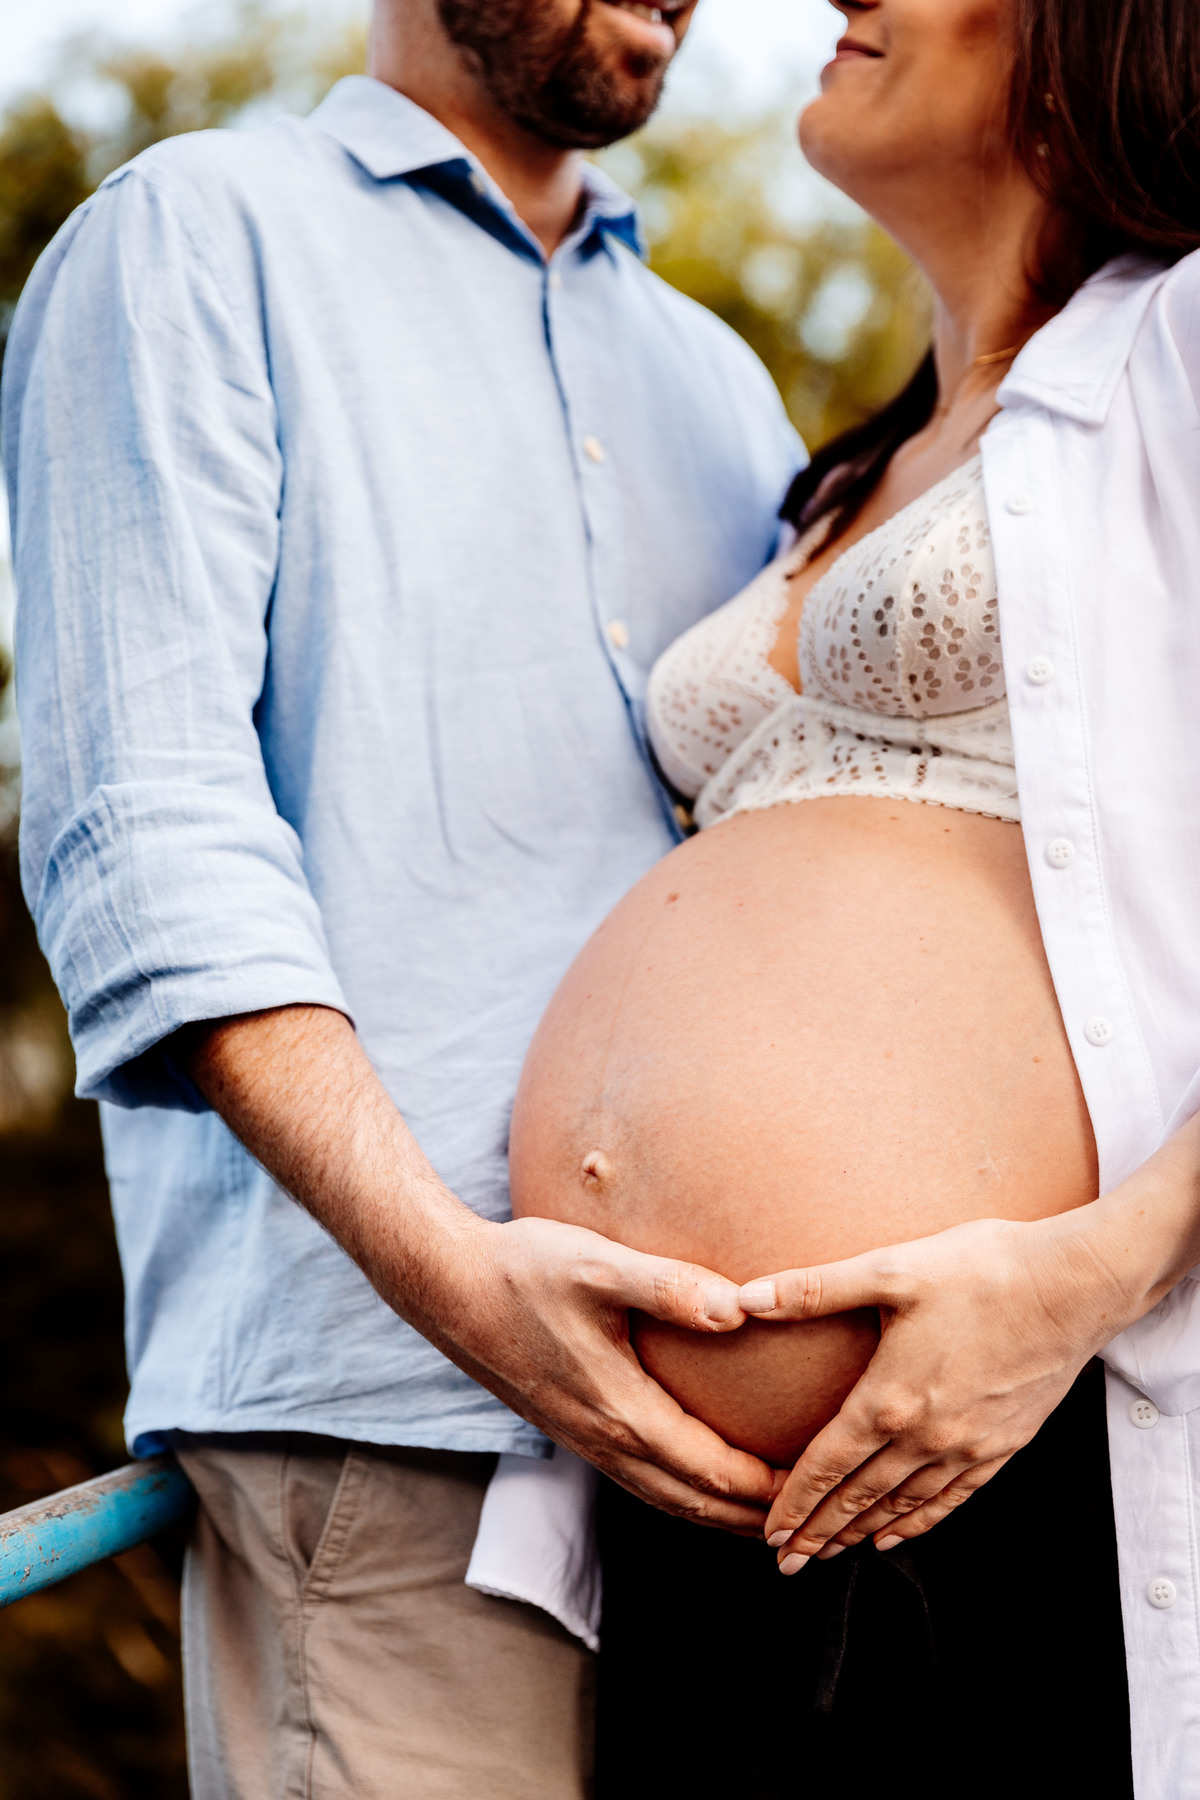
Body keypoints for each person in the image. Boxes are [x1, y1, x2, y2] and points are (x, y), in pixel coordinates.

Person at [1, 1, 803, 1794]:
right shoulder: (195, 235)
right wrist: (466, 1289)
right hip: (383, 1434)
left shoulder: (718, 379)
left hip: (728, 1479)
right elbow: (150, 818)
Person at [507, 1, 1200, 1795]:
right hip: (681, 1518)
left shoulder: (1183, 345)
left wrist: (1088, 1271)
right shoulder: (833, 482)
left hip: (1014, 1450)